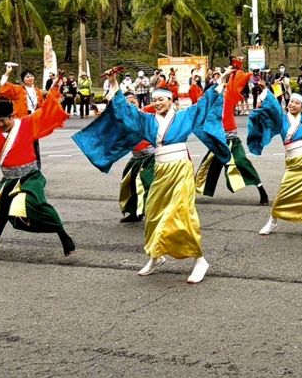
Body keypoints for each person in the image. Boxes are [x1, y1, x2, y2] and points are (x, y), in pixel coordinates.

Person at [73, 70, 229, 283]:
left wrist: (220, 82)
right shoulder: (147, 120)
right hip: (161, 170)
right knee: (153, 213)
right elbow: (125, 111)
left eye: (161, 100)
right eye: (154, 100)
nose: (157, 103)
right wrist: (113, 82)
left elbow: (205, 103)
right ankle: (156, 256)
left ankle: (200, 259)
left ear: (171, 100)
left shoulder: (185, 115)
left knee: (181, 214)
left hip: (181, 169)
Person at [0, 81, 76, 259]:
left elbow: (47, 110)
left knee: (34, 206)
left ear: (12, 116)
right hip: (8, 180)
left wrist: (55, 89)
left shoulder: (27, 124)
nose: (0, 124)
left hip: (30, 177)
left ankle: (63, 235)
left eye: (2, 120)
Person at [248, 87, 302, 239]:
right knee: (283, 194)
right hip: (292, 164)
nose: (293, 105)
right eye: (291, 102)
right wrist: (264, 90)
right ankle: (272, 221)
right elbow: (273, 107)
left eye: (297, 103)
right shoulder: (282, 119)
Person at [194, 60, 269, 206]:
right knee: (206, 166)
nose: (219, 84)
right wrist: (225, 75)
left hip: (231, 138)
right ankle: (191, 192)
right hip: (218, 139)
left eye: (221, 81)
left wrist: (237, 71)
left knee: (242, 162)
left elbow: (238, 83)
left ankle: (262, 191)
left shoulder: (229, 94)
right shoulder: (210, 100)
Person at [116, 92, 156, 223]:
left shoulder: (144, 114)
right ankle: (134, 212)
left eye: (133, 102)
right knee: (128, 182)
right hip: (136, 157)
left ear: (138, 103)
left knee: (146, 183)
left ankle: (151, 213)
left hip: (150, 156)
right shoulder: (124, 120)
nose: (131, 104)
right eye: (128, 103)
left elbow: (161, 104)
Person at [0, 66, 48, 168]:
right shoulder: (18, 89)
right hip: (21, 121)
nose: (30, 78)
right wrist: (7, 73)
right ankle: (21, 165)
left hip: (33, 120)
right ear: (23, 80)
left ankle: (35, 166)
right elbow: (3, 87)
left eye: (31, 76)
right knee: (22, 143)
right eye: (27, 77)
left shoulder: (37, 91)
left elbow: (41, 106)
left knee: (34, 144)